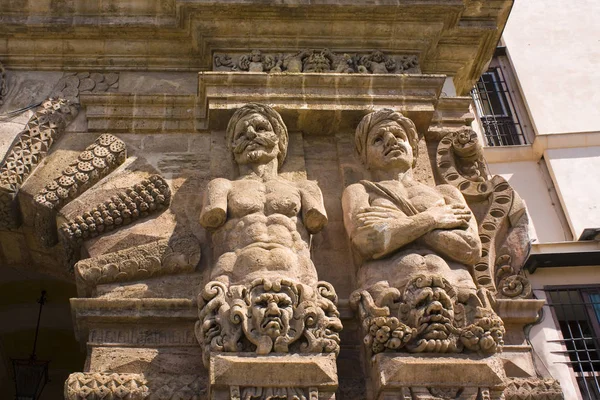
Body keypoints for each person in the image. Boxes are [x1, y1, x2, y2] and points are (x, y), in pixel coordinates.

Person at [342, 109, 481, 297]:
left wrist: (396, 225)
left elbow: (471, 248)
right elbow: (366, 241)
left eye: (399, 135)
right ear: (364, 158)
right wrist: (433, 218)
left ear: (414, 152)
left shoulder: (446, 192)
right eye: (378, 139)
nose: (391, 141)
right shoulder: (361, 191)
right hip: (387, 293)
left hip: (458, 290)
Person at [200, 103, 327, 286]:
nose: (251, 135)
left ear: (279, 140)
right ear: (233, 147)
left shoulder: (305, 188)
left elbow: (316, 221)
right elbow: (211, 217)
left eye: (260, 128)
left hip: (298, 272)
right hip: (233, 275)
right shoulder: (221, 186)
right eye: (241, 134)